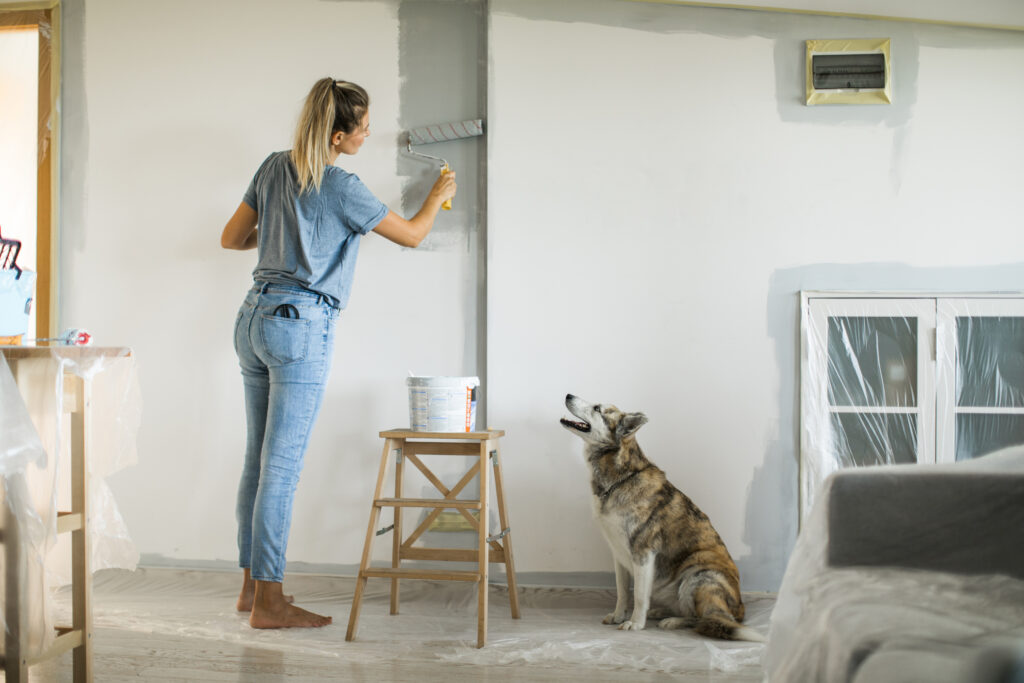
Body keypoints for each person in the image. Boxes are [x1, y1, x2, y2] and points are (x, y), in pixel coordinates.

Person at [220, 77, 456, 628]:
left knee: (258, 461)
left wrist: (284, 233)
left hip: (253, 316)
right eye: (363, 127)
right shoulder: (343, 186)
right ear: (338, 133)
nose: (368, 134)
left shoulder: (273, 166)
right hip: (300, 324)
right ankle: (271, 605)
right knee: (280, 469)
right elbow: (414, 235)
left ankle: (250, 588)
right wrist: (436, 198)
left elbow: (233, 238)